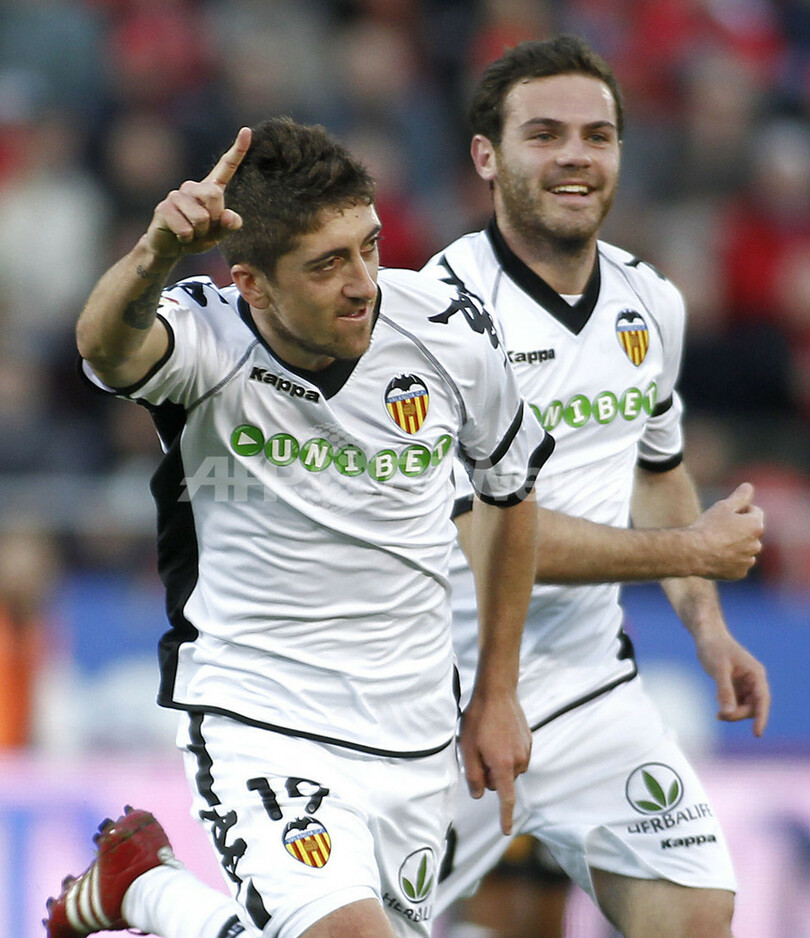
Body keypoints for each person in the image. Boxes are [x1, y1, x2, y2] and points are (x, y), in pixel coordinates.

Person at [45, 117, 553, 938]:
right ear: (252, 283)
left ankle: (143, 886)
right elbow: (104, 349)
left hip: (417, 732)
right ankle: (144, 888)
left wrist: (498, 691)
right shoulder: (205, 339)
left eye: (369, 247)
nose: (363, 283)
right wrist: (156, 251)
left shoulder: (448, 331)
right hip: (262, 715)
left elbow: (512, 491)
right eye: (327, 264)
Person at [421, 35, 770, 938]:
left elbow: (657, 472)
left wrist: (706, 627)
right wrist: (692, 550)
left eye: (597, 136)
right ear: (487, 157)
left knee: (695, 912)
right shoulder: (438, 318)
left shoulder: (650, 301)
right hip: (434, 697)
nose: (575, 155)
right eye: (544, 134)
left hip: (588, 689)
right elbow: (490, 537)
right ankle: (145, 893)